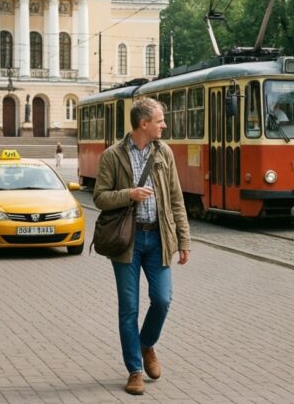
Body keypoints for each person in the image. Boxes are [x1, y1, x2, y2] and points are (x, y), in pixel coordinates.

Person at [93, 98, 191, 396]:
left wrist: (184, 240)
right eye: (160, 121)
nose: (165, 125)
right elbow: (99, 197)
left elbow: (176, 198)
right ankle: (135, 370)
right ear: (143, 124)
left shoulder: (164, 153)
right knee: (129, 309)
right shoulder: (113, 155)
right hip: (127, 242)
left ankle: (147, 344)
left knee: (162, 299)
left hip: (158, 238)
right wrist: (129, 194)